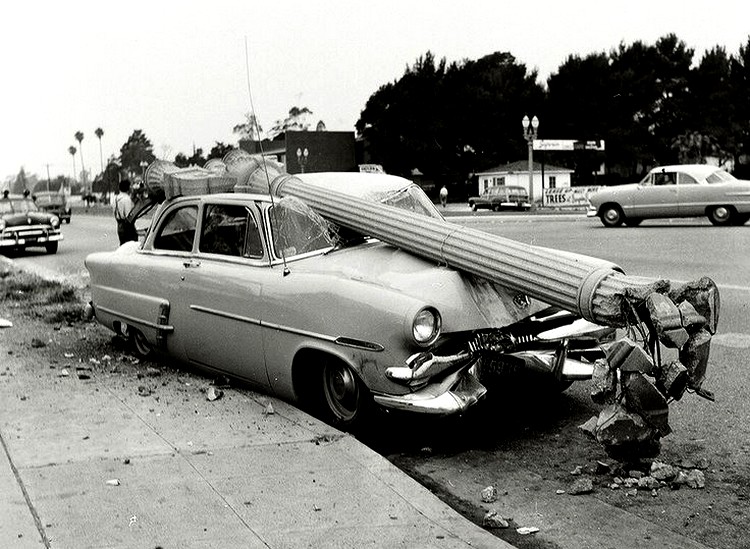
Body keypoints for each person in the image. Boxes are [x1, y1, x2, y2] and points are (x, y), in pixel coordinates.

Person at [113, 179, 138, 245]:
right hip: (127, 228)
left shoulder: (115, 198)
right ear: (128, 188)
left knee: (122, 244)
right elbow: (129, 215)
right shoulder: (127, 199)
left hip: (119, 226)